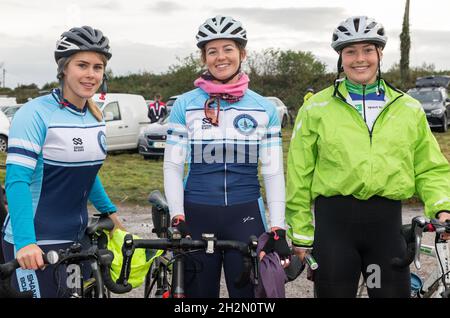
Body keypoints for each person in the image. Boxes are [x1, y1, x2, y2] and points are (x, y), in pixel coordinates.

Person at [286, 16, 450, 298]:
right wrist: (301, 232)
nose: (359, 59)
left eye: (367, 50)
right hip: (334, 227)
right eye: (351, 51)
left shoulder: (407, 108)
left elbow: (429, 166)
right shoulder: (317, 108)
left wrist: (442, 206)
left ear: (379, 54)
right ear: (341, 57)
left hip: (385, 229)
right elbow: (299, 173)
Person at [164, 15, 290, 298]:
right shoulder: (185, 104)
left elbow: (272, 172)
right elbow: (173, 165)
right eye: (212, 51)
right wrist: (176, 215)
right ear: (204, 57)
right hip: (196, 214)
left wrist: (278, 226)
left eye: (228, 49)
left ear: (242, 54)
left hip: (245, 216)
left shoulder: (263, 108)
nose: (220, 57)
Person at [1, 26, 124, 298]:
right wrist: (25, 243)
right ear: (64, 69)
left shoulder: (95, 116)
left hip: (76, 238)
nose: (91, 74)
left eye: (97, 67)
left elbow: (88, 173)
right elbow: (17, 181)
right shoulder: (34, 113)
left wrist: (112, 214)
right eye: (82, 65)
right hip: (35, 241)